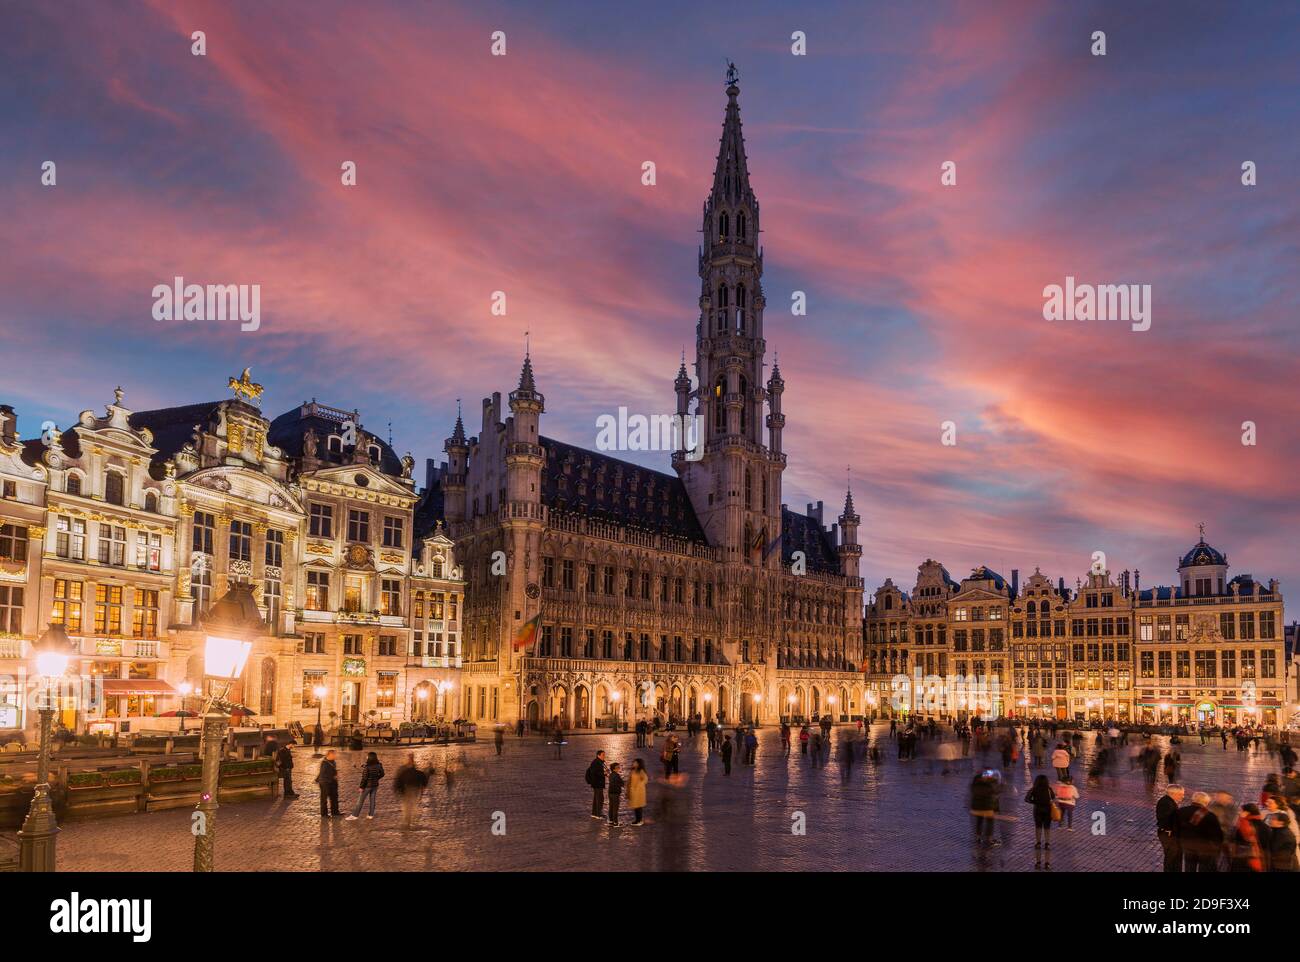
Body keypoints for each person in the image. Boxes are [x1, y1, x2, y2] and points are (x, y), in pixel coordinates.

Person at [1177, 791, 1224, 872]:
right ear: (1205, 802)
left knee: (1189, 866)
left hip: (1187, 845)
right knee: (1204, 867)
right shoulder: (1210, 815)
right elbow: (1217, 834)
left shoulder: (1181, 811)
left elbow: (1176, 827)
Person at [393, 752, 429, 828]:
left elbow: (398, 781)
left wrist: (397, 790)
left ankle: (409, 821)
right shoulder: (410, 772)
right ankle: (409, 821)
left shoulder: (405, 772)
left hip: (410, 790)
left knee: (408, 806)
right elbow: (424, 780)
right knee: (410, 806)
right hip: (410, 790)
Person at [345, 751, 385, 820]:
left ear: (369, 757)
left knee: (360, 801)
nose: (366, 757)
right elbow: (382, 774)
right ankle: (371, 815)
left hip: (367, 786)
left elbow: (364, 778)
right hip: (375, 785)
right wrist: (376, 778)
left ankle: (354, 815)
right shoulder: (379, 765)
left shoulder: (367, 767)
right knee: (372, 800)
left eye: (367, 756)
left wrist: (361, 787)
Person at [1229, 804, 1266, 872]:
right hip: (1255, 857)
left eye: (1241, 811)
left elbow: (1242, 836)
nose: (1239, 812)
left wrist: (1241, 819)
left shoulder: (1245, 823)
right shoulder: (1263, 825)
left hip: (1245, 857)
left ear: (1247, 813)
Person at [1156, 784, 1184, 871]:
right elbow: (1167, 820)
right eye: (1181, 794)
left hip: (1168, 833)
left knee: (1174, 857)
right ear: (1174, 794)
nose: (1183, 797)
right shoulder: (1167, 804)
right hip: (1168, 834)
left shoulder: (1168, 801)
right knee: (1172, 858)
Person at [1025, 774, 1057, 851]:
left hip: (1037, 810)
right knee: (1047, 828)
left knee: (1038, 827)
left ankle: (1038, 843)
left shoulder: (1034, 789)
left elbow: (1027, 799)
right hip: (1048, 810)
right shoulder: (1049, 789)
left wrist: (1034, 801)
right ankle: (1047, 843)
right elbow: (1053, 798)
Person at [316, 749, 340, 818]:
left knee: (334, 797)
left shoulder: (333, 762)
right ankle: (324, 814)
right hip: (325, 782)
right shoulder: (324, 763)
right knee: (324, 798)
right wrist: (333, 776)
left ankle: (335, 812)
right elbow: (323, 774)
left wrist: (335, 775)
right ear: (330, 755)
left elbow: (333, 770)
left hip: (333, 782)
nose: (336, 756)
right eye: (334, 754)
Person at [585, 750, 607, 819]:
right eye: (603, 755)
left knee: (596, 798)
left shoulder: (599, 762)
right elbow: (595, 772)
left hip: (598, 783)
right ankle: (598, 814)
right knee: (599, 799)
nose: (604, 756)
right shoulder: (596, 762)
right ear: (598, 755)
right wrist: (604, 774)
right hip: (597, 783)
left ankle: (594, 813)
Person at [627, 758, 649, 825]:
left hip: (639, 792)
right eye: (634, 762)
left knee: (639, 806)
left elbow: (645, 779)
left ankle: (639, 820)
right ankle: (637, 820)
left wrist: (639, 785)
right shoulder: (633, 771)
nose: (634, 764)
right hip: (633, 791)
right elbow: (629, 780)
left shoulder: (641, 771)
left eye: (635, 763)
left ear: (639, 764)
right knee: (635, 806)